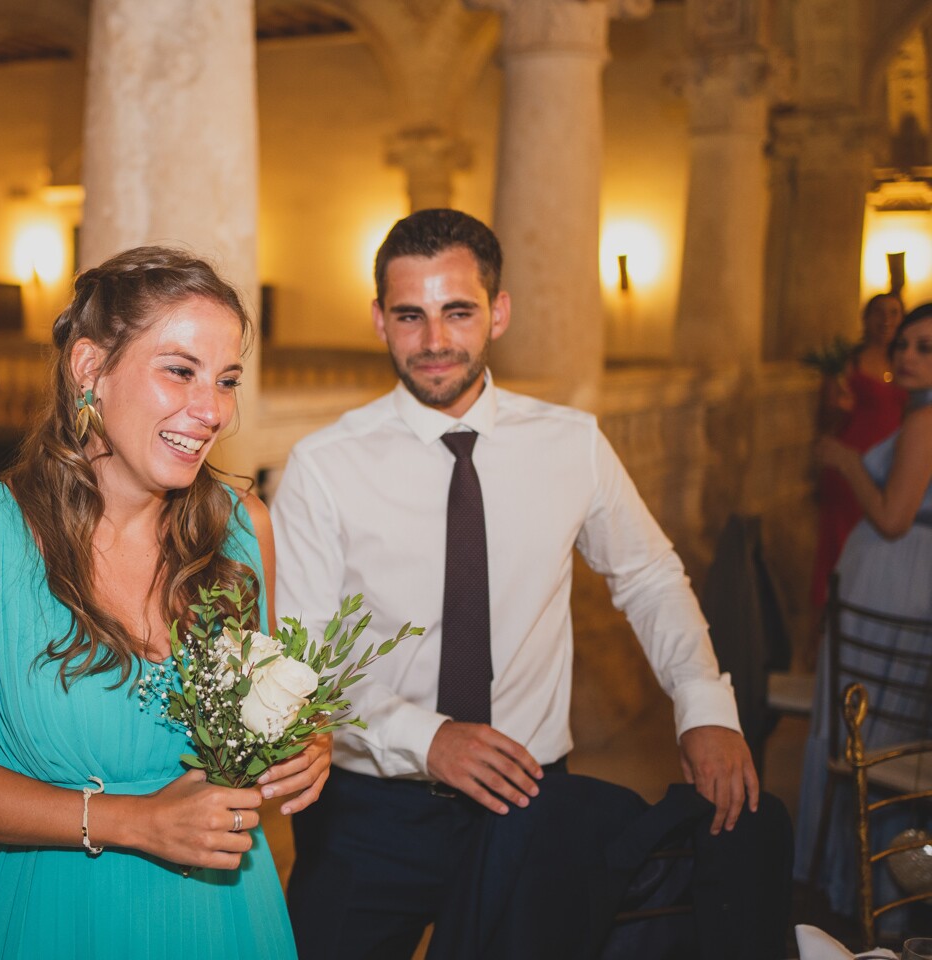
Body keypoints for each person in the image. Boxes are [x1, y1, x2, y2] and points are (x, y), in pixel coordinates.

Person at [271, 209, 790, 960]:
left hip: (529, 803)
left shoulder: (571, 442)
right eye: (410, 316)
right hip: (369, 812)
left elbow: (646, 574)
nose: (434, 341)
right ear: (379, 320)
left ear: (499, 312)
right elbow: (306, 658)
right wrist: (429, 738)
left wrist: (703, 703)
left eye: (458, 311)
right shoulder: (323, 465)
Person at [0, 246, 329, 958]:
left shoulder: (243, 529)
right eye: (180, 371)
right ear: (89, 368)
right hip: (48, 912)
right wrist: (132, 822)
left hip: (218, 914)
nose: (212, 410)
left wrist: (305, 741)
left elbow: (260, 706)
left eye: (226, 380)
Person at [797, 304, 932, 930]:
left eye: (925, 348)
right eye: (905, 344)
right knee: (880, 731)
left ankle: (862, 895)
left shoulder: (925, 420)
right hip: (898, 583)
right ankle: (881, 889)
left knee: (869, 734)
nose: (907, 356)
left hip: (895, 590)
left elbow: (895, 516)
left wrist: (846, 459)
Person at [810, 293, 906, 614]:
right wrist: (837, 405)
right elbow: (825, 420)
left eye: (894, 313)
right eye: (879, 313)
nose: (886, 320)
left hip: (892, 466)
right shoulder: (848, 363)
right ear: (866, 319)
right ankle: (832, 617)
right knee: (842, 541)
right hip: (852, 464)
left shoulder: (908, 363)